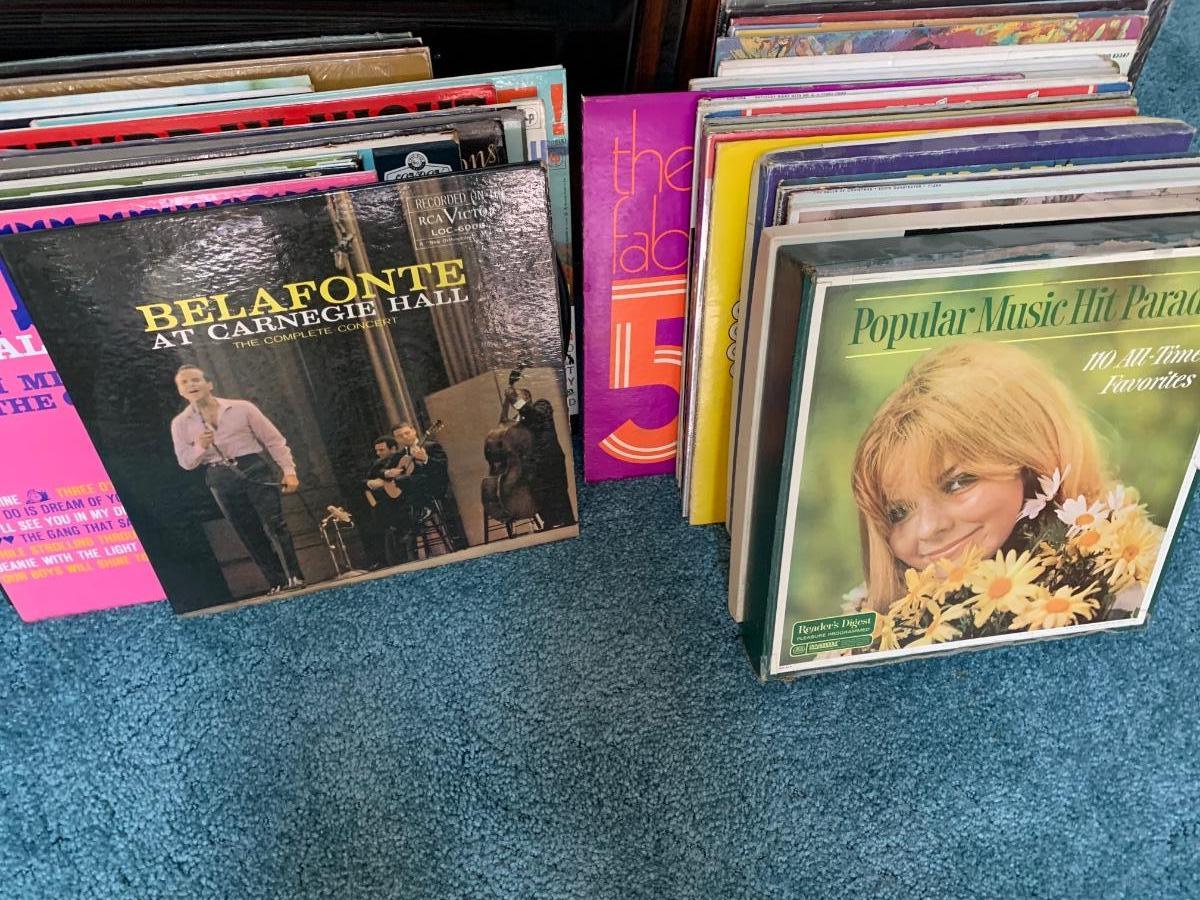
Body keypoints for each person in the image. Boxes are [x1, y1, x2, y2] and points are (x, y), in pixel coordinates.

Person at [850, 342, 1111, 615]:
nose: (929, 528)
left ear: (1031, 460)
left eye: (957, 483)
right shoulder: (876, 627)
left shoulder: (1125, 588)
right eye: (898, 512)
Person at [170, 364, 305, 595]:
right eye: (184, 383)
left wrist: (289, 471)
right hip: (220, 477)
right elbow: (186, 462)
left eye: (195, 380)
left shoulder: (242, 408)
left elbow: (273, 440)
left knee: (275, 524)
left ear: (209, 384)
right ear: (180, 391)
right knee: (248, 532)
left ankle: (294, 576)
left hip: (253, 468)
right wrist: (200, 447)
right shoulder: (180, 423)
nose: (191, 385)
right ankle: (277, 582)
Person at [500, 385, 575, 529]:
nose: (514, 402)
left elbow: (533, 415)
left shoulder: (542, 405)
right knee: (539, 492)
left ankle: (566, 520)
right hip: (533, 461)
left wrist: (513, 398)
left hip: (549, 456)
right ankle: (549, 521)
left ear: (527, 398)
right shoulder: (518, 419)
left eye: (517, 396)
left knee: (557, 488)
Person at [362, 434, 407, 569]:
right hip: (384, 502)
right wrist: (370, 483)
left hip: (403, 500)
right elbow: (365, 479)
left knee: (382, 518)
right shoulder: (377, 463)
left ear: (393, 449)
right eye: (376, 450)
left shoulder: (401, 457)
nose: (378, 453)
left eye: (381, 450)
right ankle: (385, 560)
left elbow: (400, 473)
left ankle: (395, 557)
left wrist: (385, 478)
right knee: (374, 520)